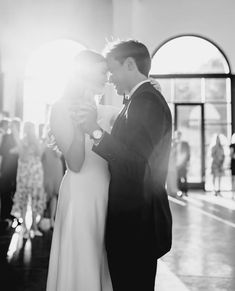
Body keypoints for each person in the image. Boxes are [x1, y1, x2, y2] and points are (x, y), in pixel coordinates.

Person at [76, 40, 173, 291]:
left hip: (136, 227)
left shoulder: (146, 102)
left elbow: (139, 166)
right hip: (133, 223)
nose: (109, 79)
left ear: (130, 64)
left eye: (112, 70)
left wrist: (95, 133)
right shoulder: (139, 99)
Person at [46, 50, 118, 291]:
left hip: (107, 192)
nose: (107, 78)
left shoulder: (109, 112)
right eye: (102, 72)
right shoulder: (60, 108)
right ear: (85, 73)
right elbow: (75, 164)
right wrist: (81, 125)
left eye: (109, 73)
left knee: (101, 257)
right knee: (82, 256)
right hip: (80, 195)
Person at [11, 121, 46, 238]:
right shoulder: (23, 142)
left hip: (35, 173)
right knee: (24, 200)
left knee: (35, 200)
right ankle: (26, 228)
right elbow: (22, 154)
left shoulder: (36, 142)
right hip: (25, 174)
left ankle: (33, 227)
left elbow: (40, 153)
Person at [0, 118, 21, 223]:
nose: (12, 127)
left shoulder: (19, 138)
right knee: (5, 191)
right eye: (11, 125)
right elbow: (3, 151)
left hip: (15, 168)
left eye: (14, 126)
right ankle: (4, 215)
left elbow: (21, 150)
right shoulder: (6, 136)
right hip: (6, 168)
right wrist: (12, 151)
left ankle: (10, 214)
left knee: (12, 191)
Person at [175, 130, 190, 197]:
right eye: (177, 135)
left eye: (179, 135)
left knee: (184, 178)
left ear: (181, 136)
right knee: (177, 179)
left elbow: (188, 154)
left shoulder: (185, 144)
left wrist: (187, 162)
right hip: (176, 164)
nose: (178, 136)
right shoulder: (174, 144)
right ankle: (179, 192)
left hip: (183, 164)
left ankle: (185, 191)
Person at [230, 133, 235, 199]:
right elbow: (231, 155)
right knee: (233, 179)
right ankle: (233, 194)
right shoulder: (232, 146)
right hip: (234, 163)